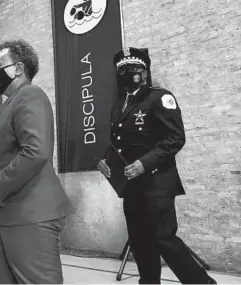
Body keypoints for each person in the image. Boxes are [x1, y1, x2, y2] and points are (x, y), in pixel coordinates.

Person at [97, 47, 217, 284]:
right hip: (131, 185)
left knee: (163, 238)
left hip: (157, 182)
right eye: (122, 70)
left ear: (144, 71)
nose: (128, 74)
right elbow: (120, 142)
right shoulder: (119, 105)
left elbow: (175, 138)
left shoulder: (159, 97)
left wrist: (144, 163)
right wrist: (104, 159)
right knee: (139, 239)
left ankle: (202, 283)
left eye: (133, 69)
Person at [0, 39, 72, 284]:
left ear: (18, 69)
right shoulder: (10, 102)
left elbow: (36, 151)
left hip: (30, 213)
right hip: (6, 214)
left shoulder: (31, 94)